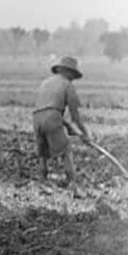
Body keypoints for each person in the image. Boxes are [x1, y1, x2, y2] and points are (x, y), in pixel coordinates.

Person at [33, 56, 91, 192]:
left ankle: (42, 181)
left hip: (36, 118)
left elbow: (47, 108)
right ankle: (72, 185)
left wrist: (67, 125)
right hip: (52, 117)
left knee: (43, 153)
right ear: (70, 72)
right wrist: (85, 133)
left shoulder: (46, 82)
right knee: (66, 150)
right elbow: (75, 115)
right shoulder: (67, 85)